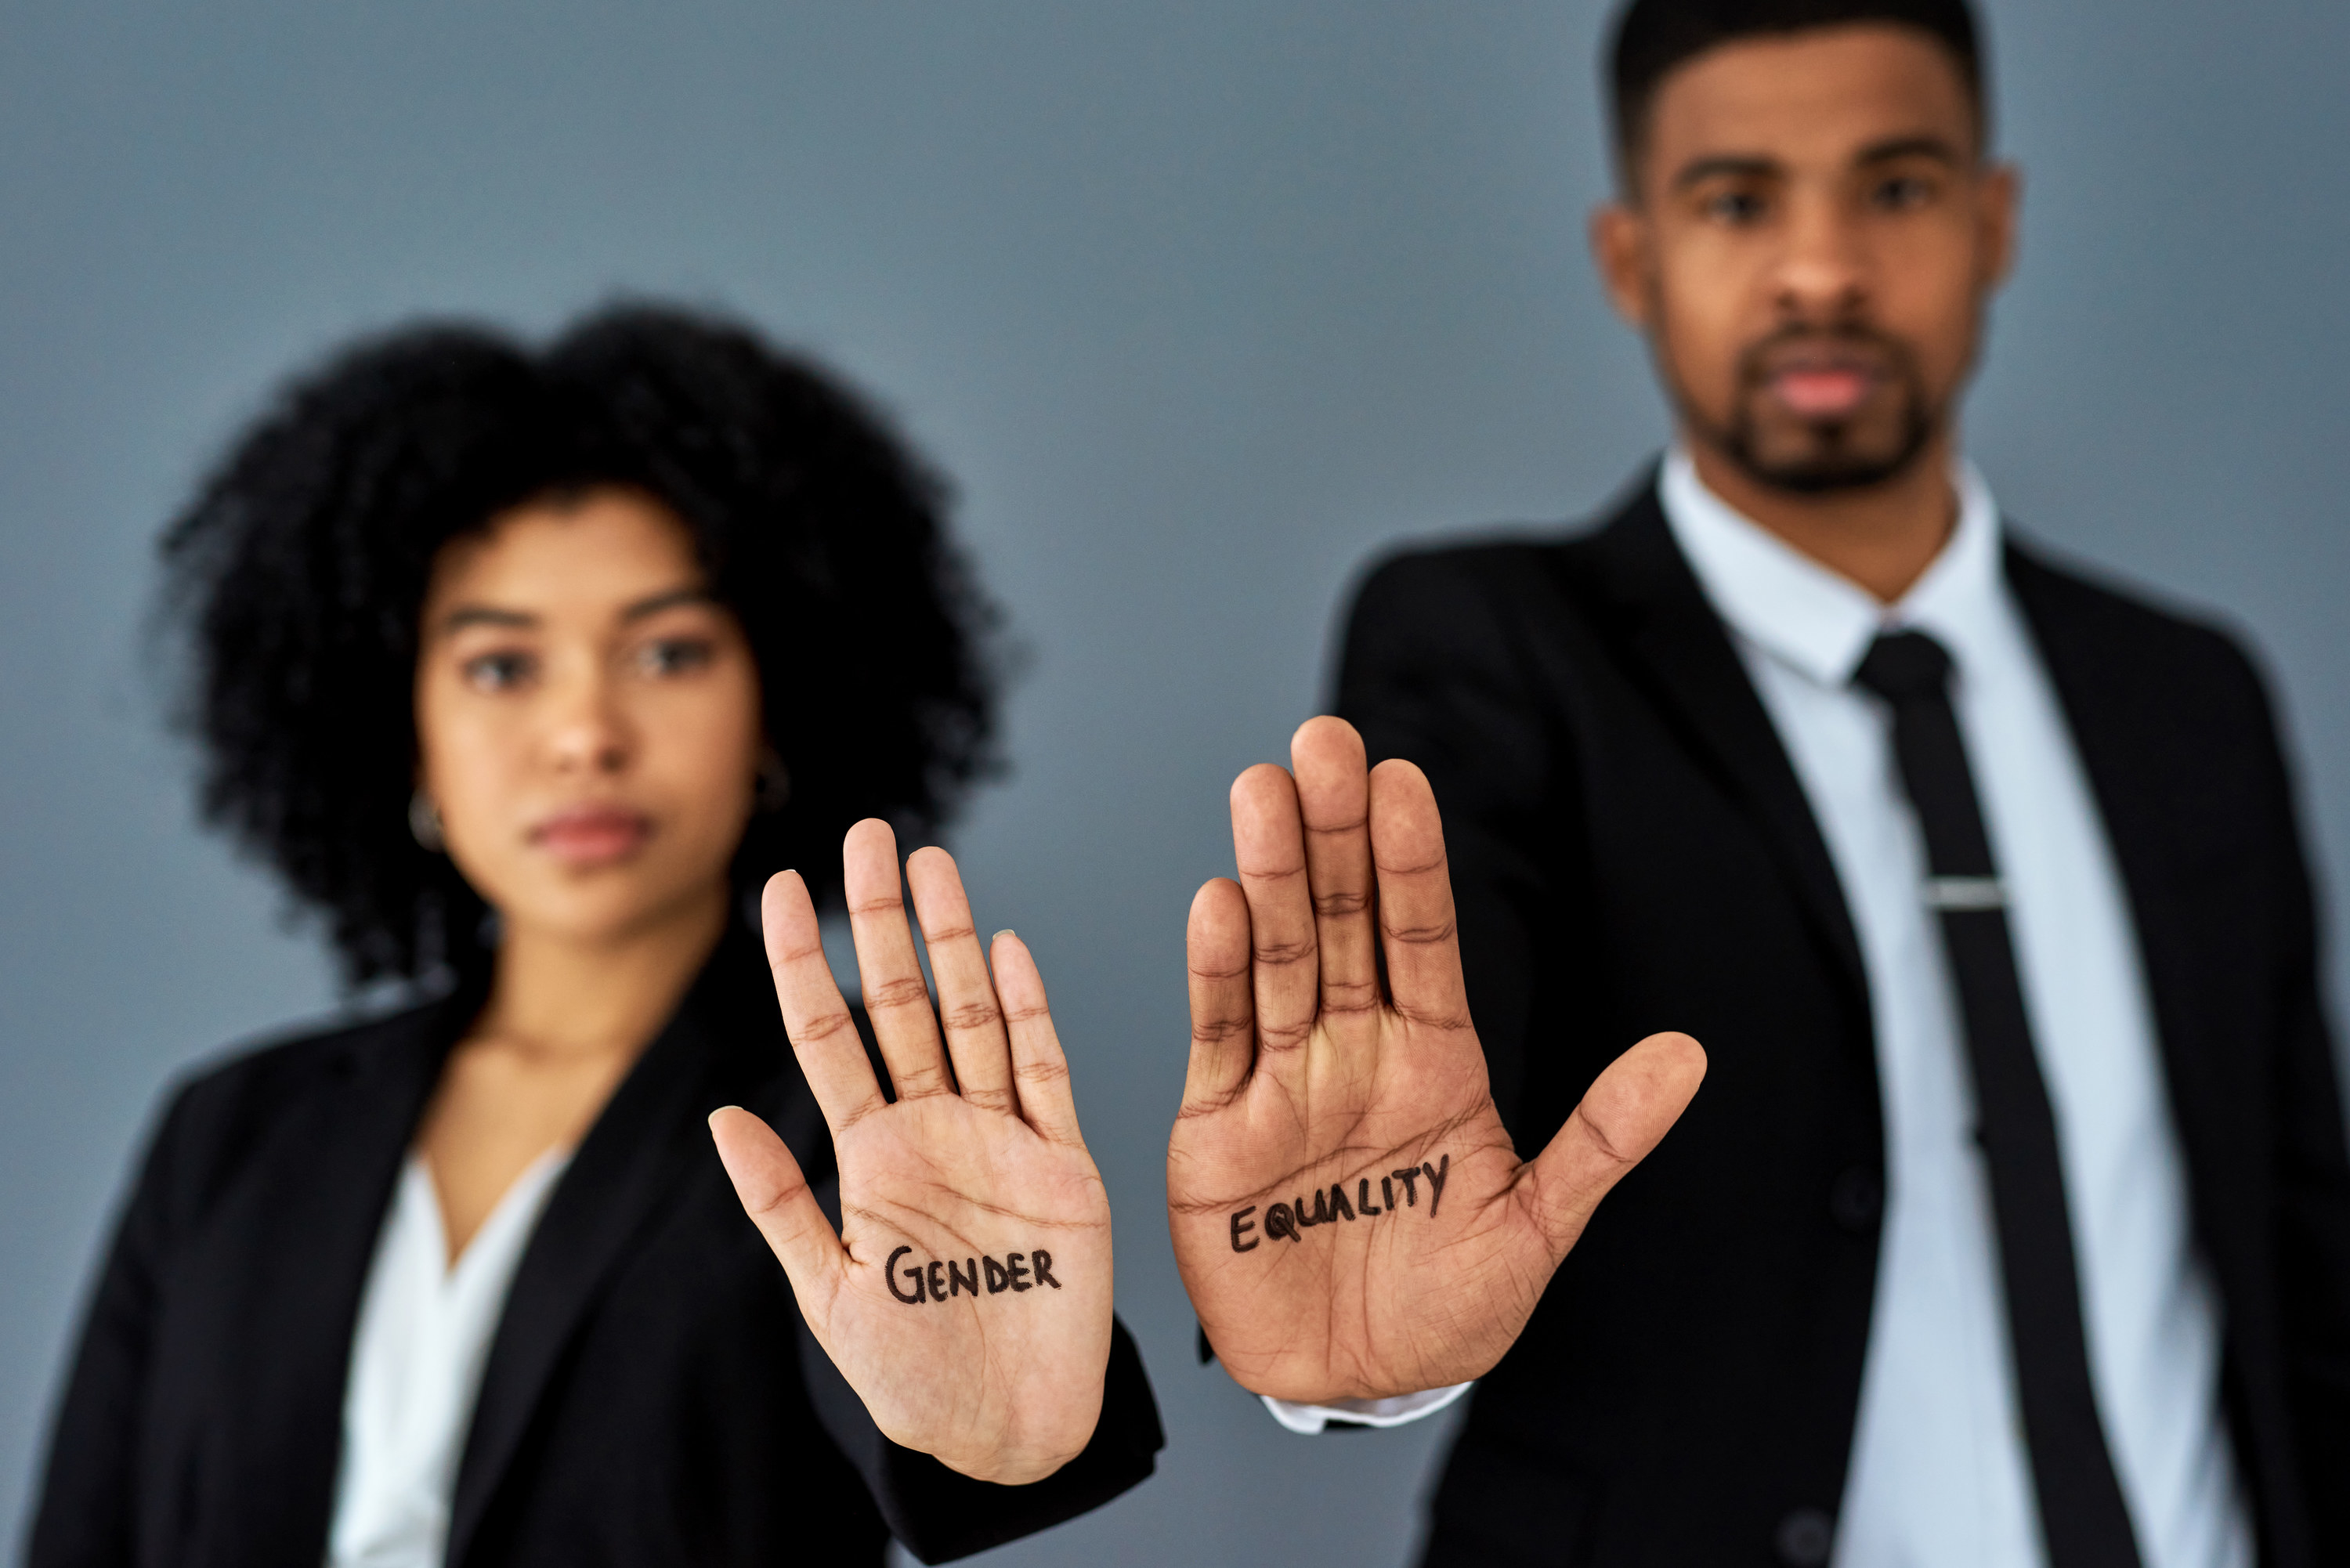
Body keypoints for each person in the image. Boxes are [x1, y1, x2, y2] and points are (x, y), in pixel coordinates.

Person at [1167, 2, 2350, 1565]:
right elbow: (1446, 1070)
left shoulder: (2189, 694)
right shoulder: (1492, 654)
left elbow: (2296, 1248)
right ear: (1630, 258)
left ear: (1994, 223)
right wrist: (1360, 1323)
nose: (1822, 273)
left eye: (1898, 188)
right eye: (1738, 201)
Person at [27, 304, 1159, 1567]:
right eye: (503, 667)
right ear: (403, 732)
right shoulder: (227, 1136)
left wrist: (1004, 1426)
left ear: (776, 708)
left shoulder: (865, 1125)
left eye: (667, 652)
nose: (585, 734)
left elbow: (968, 1427)